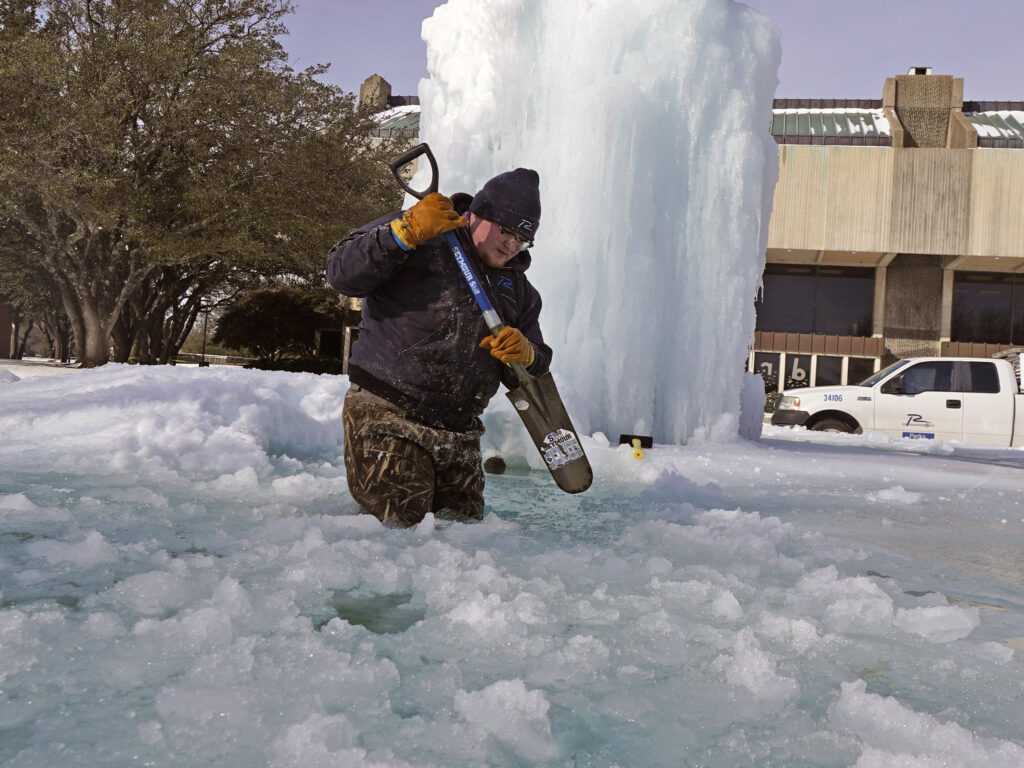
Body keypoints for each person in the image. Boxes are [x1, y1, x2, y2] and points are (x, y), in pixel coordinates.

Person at [326, 168, 552, 527]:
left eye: (523, 240)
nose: (512, 245)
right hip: (389, 414)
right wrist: (401, 235)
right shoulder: (422, 231)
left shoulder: (520, 292)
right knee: (397, 537)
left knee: (462, 546)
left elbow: (534, 369)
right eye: (506, 231)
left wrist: (526, 354)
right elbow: (340, 273)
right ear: (476, 214)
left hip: (460, 433)